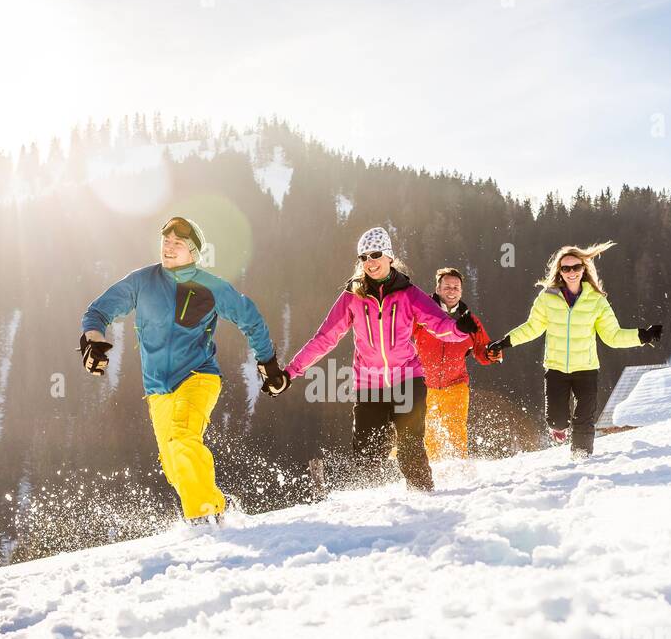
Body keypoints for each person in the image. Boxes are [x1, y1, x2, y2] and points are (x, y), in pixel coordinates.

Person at [78, 215, 288, 525]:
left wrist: (267, 363)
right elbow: (98, 310)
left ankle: (206, 518)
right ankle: (217, 505)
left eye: (178, 243)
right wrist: (93, 341)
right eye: (166, 241)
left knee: (183, 438)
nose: (169, 247)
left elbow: (250, 318)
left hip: (198, 377)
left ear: (193, 251)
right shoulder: (142, 281)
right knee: (175, 465)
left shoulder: (210, 287)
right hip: (157, 391)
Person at [266, 227, 474, 491]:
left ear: (389, 256)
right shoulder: (352, 297)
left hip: (407, 379)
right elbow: (324, 338)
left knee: (410, 448)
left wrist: (459, 330)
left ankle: (424, 499)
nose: (369, 262)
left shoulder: (408, 294)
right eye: (363, 257)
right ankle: (380, 483)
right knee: (367, 454)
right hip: (369, 384)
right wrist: (289, 373)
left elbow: (439, 323)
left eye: (375, 255)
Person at [486, 242, 662, 457]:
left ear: (584, 269)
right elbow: (532, 327)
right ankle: (558, 427)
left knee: (584, 418)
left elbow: (612, 336)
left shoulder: (597, 300)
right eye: (566, 268)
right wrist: (505, 342)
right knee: (557, 419)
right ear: (559, 271)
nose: (571, 272)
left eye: (576, 267)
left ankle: (581, 459)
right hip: (556, 369)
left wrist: (643, 335)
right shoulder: (547, 298)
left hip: (586, 369)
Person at [412, 267, 496, 461]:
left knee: (457, 430)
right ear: (438, 289)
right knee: (428, 435)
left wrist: (492, 353)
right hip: (424, 386)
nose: (451, 291)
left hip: (456, 383)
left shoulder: (469, 320)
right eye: (447, 286)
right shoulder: (423, 314)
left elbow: (482, 352)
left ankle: (461, 472)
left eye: (456, 287)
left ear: (461, 291)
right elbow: (401, 334)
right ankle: (433, 474)